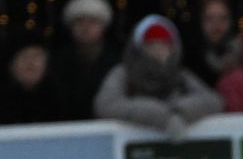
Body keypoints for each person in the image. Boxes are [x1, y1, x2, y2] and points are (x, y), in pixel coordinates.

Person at [94, 15, 225, 136]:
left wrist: (180, 112)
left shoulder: (180, 75)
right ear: (138, 47)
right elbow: (106, 105)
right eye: (151, 44)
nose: (158, 48)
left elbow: (213, 100)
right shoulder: (123, 73)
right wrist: (160, 116)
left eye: (164, 43)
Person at [57, 0, 120, 121]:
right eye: (79, 22)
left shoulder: (116, 62)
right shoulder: (58, 62)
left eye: (92, 22)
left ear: (103, 26)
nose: (85, 27)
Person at [0, 38, 67, 127]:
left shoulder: (62, 97)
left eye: (36, 56)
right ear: (12, 65)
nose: (30, 63)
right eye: (24, 56)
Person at [184, 0, 242, 88]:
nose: (217, 25)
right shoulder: (189, 60)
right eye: (209, 19)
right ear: (200, 21)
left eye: (223, 18)